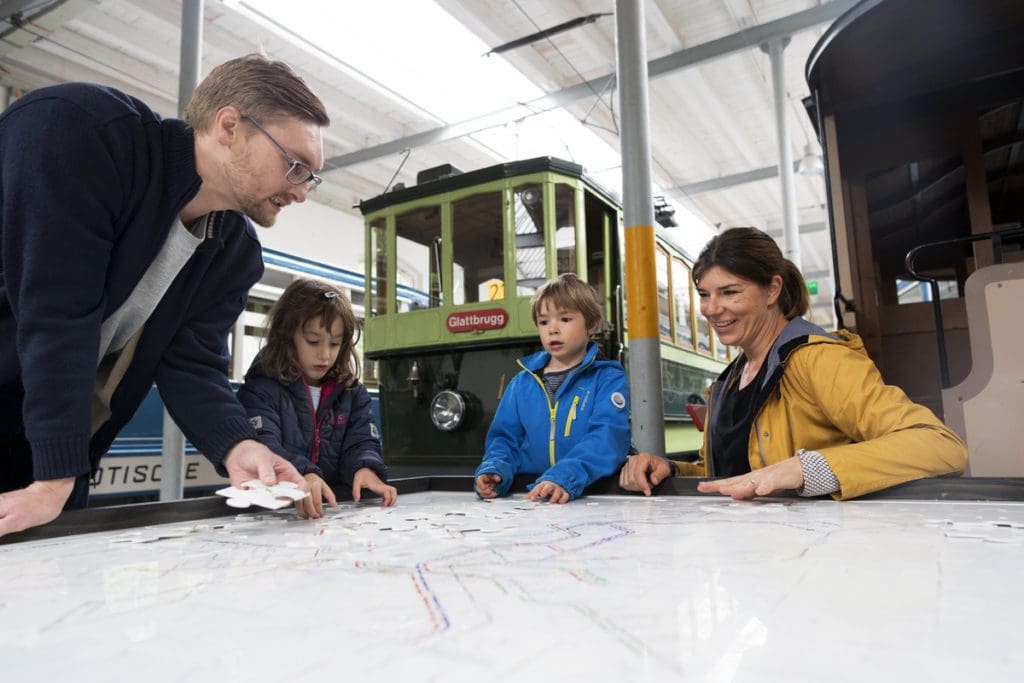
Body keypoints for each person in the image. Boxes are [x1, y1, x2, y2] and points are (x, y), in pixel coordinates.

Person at [0, 54, 330, 537]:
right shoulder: (84, 133)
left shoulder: (233, 254)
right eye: (296, 165)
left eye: (311, 178)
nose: (301, 193)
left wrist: (239, 446)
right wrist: (55, 477)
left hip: (49, 453)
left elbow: (193, 366)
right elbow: (58, 312)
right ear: (229, 126)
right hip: (51, 459)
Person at [619, 227, 968, 500]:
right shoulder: (728, 381)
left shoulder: (818, 359)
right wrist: (671, 470)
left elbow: (940, 445)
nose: (711, 309)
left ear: (772, 290)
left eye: (730, 292)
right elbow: (734, 477)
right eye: (705, 295)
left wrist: (806, 469)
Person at [237, 279, 396, 517]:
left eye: (335, 343)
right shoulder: (260, 389)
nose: (325, 354)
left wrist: (364, 467)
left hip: (328, 513)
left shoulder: (352, 393)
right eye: (313, 341)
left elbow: (361, 440)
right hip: (270, 514)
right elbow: (263, 445)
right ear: (287, 336)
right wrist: (303, 473)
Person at [475, 273, 631, 504]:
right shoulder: (522, 382)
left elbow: (606, 438)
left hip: (591, 494)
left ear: (591, 325)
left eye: (565, 319)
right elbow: (504, 439)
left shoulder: (607, 378)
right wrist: (495, 469)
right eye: (544, 321)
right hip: (531, 497)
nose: (553, 330)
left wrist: (564, 477)